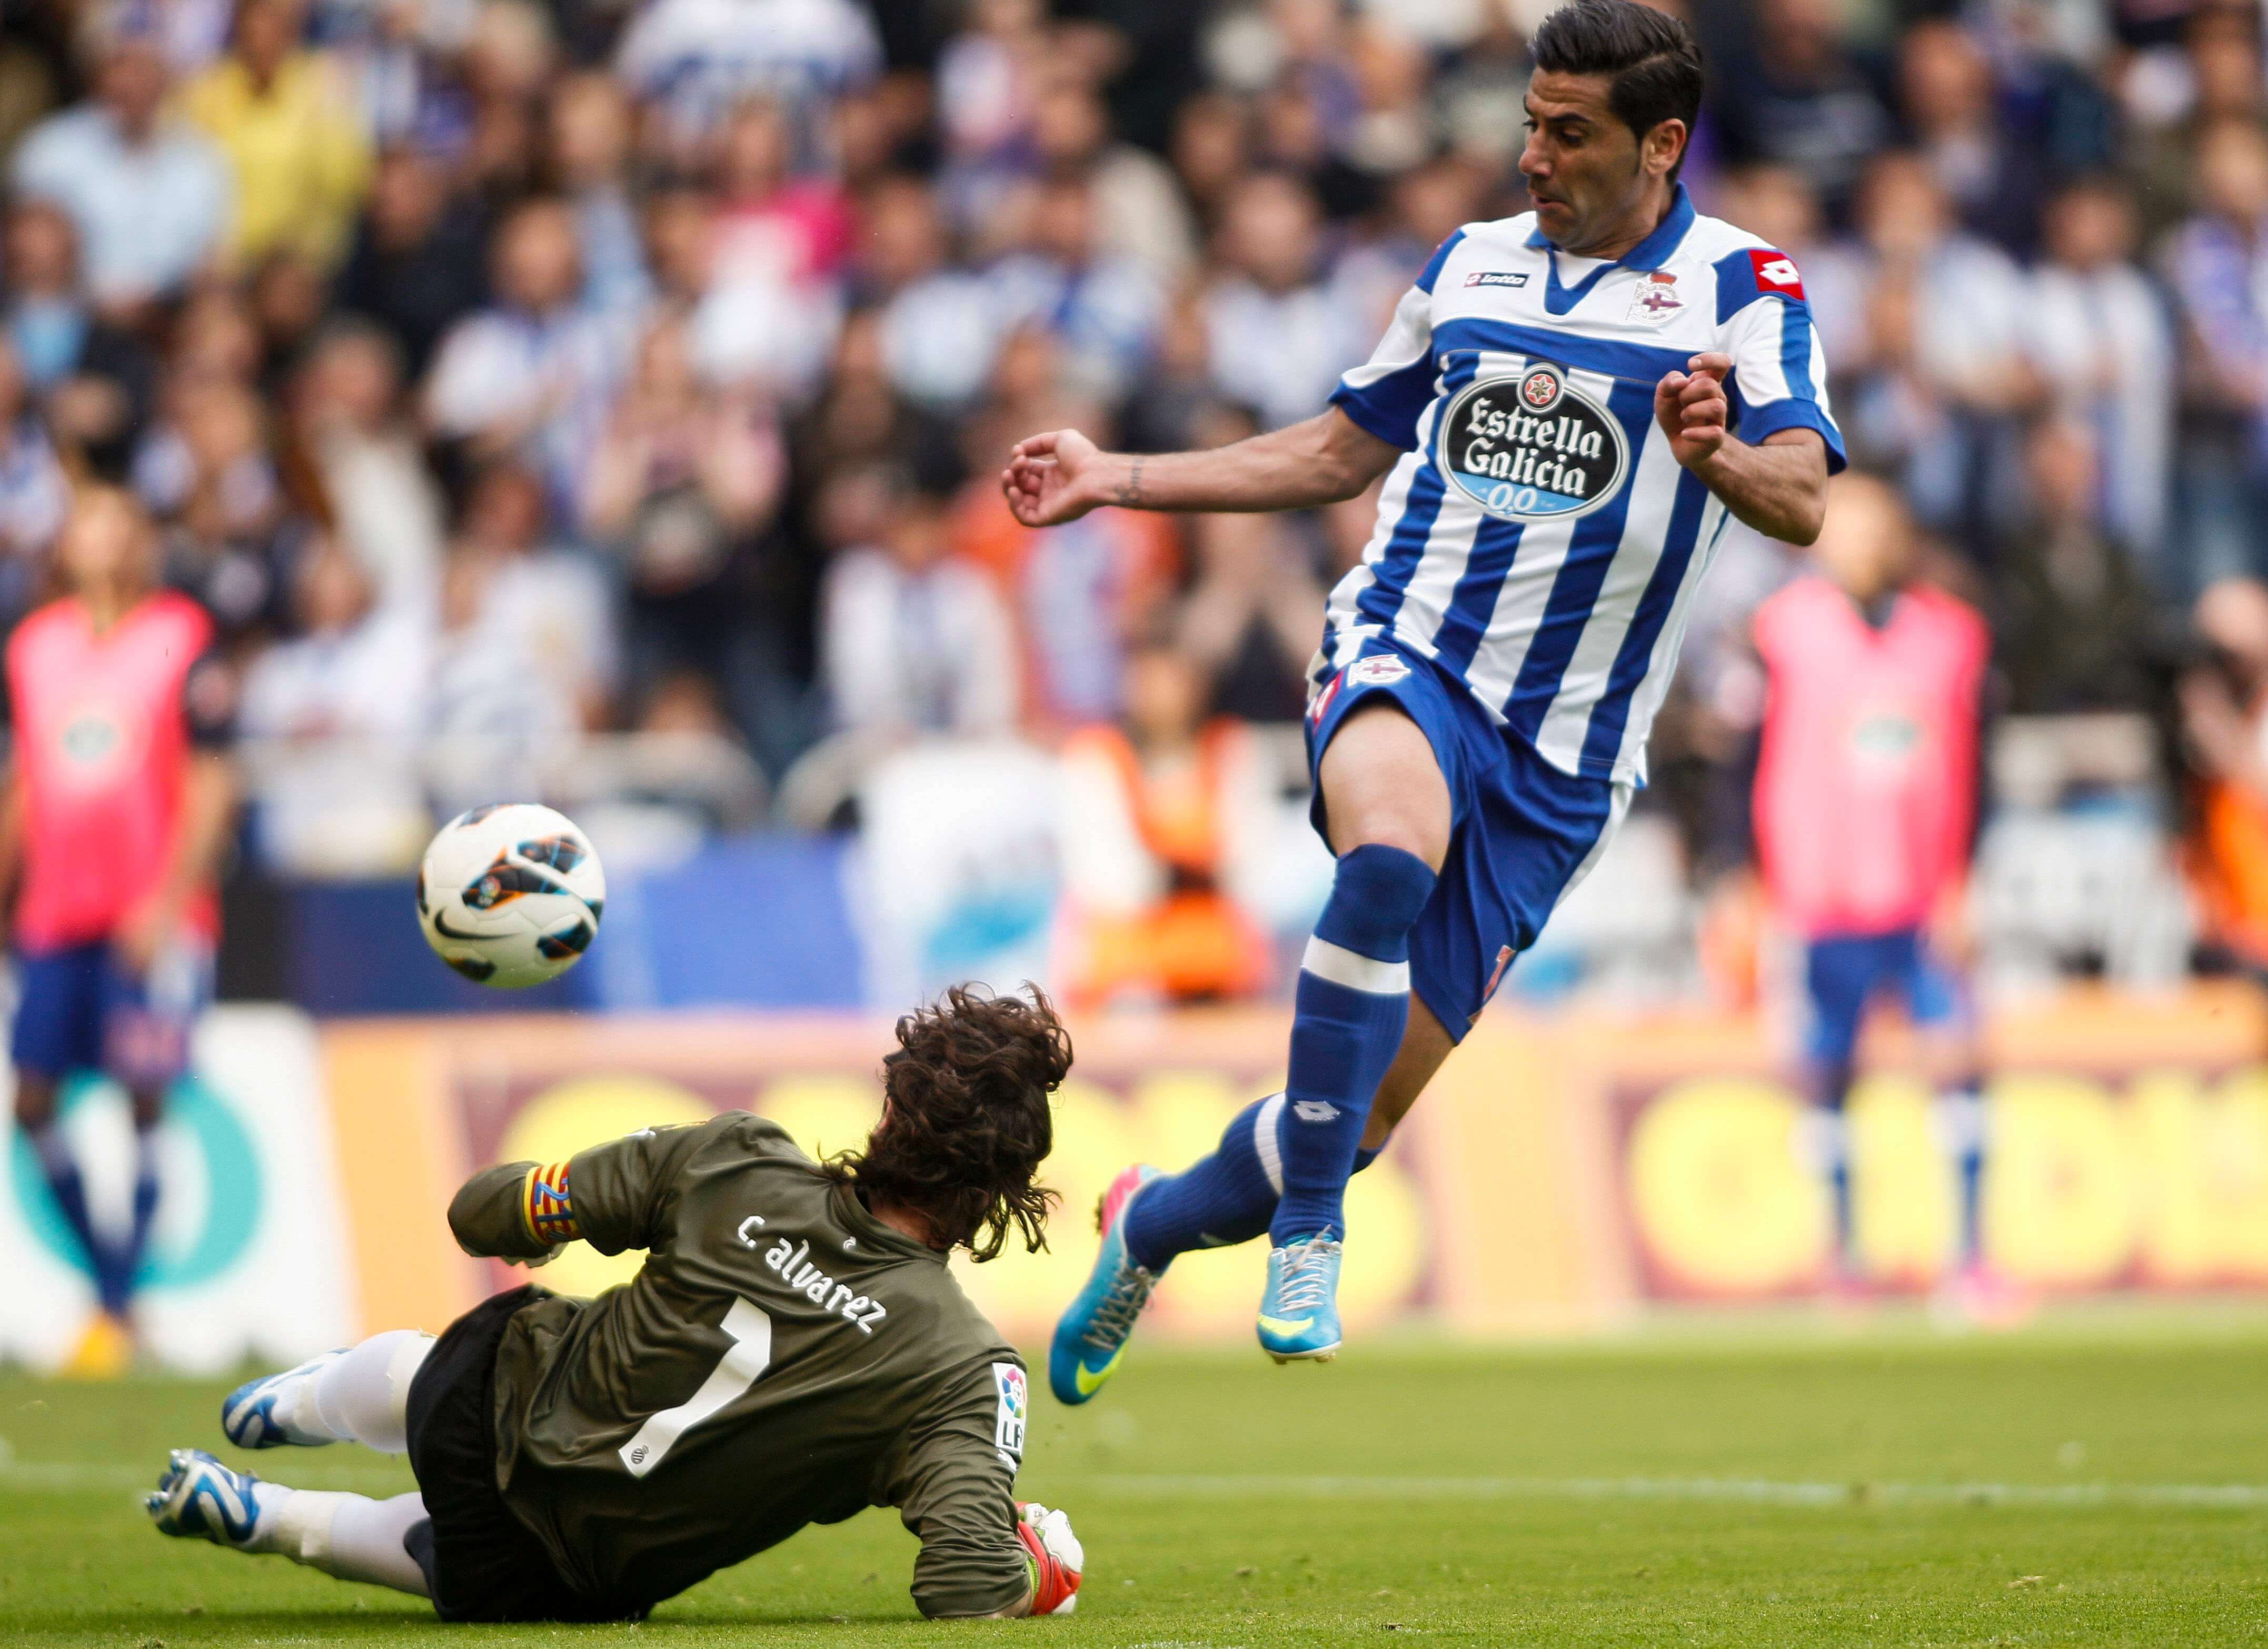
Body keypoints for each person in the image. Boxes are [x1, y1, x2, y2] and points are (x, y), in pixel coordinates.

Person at [1007, 0, 1839, 1383]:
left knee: (1341, 1115)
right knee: (1386, 853)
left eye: (1568, 134)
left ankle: (1150, 1220)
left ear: (1660, 146)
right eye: (1529, 124)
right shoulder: (1466, 269)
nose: (1531, 156)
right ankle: (1316, 1235)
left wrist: (1718, 460)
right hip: (1407, 646)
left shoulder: (1746, 291)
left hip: (1565, 756)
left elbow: (1802, 498)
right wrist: (1116, 476)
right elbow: (1337, 453)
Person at [146, 986, 1086, 1624]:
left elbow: (482, 1212)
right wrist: (1044, 1570)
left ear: (889, 1110)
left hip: (483, 1396)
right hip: (568, 1572)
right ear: (1012, 1187)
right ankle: (271, 1518)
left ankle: (305, 1403)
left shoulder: (735, 1158)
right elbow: (966, 1580)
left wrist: (542, 1214)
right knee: (452, 1555)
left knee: (432, 1368)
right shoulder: (966, 1370)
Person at [1746, 472, 2002, 1317]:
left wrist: (1968, 879)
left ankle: (1968, 1260)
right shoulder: (1778, 634)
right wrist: (1737, 881)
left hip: (1925, 895)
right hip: (1821, 898)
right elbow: (1737, 763)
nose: (1857, 545)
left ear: (1898, 538)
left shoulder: (1951, 637)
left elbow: (1980, 766)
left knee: (1958, 1065)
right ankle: (1842, 1258)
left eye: (1872, 529)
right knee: (1826, 1074)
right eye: (1842, 529)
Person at [2, 486, 236, 1375]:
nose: (98, 536)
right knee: (32, 1101)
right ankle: (114, 1296)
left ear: (141, 538)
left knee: (144, 1095)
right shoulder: (35, 647)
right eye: (84, 520)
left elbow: (215, 780)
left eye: (114, 520)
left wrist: (170, 900)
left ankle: (115, 1313)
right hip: (55, 914)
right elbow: (28, 781)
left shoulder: (180, 634)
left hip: (148, 917)